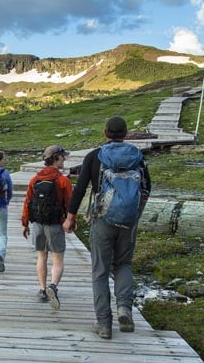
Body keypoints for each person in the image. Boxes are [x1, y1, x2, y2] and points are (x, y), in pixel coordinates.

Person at [63, 116, 151, 339]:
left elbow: (80, 189)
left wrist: (70, 217)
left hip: (102, 219)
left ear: (105, 132)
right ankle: (124, 308)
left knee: (100, 271)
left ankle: (104, 324)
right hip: (129, 221)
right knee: (123, 264)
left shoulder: (95, 156)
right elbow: (147, 187)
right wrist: (134, 215)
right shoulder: (137, 157)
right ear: (126, 133)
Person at [21, 145, 73, 310]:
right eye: (63, 157)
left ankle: (43, 291)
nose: (64, 159)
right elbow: (70, 204)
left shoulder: (34, 180)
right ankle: (53, 286)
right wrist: (71, 222)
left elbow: (27, 202)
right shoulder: (63, 180)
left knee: (41, 257)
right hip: (55, 224)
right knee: (57, 259)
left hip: (38, 224)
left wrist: (25, 223)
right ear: (56, 158)